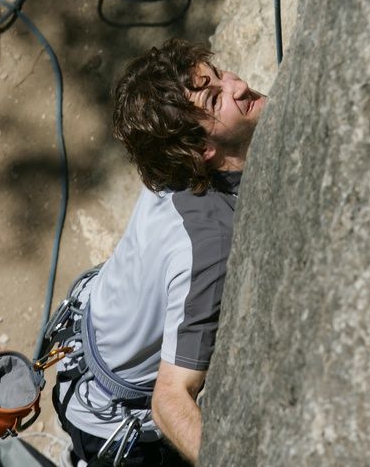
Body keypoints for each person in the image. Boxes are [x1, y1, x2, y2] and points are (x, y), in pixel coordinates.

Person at [53, 38, 267, 466]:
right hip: (109, 420)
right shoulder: (212, 244)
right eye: (215, 97)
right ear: (204, 152)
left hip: (89, 344)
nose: (239, 85)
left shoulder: (173, 167)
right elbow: (169, 400)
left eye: (220, 74)